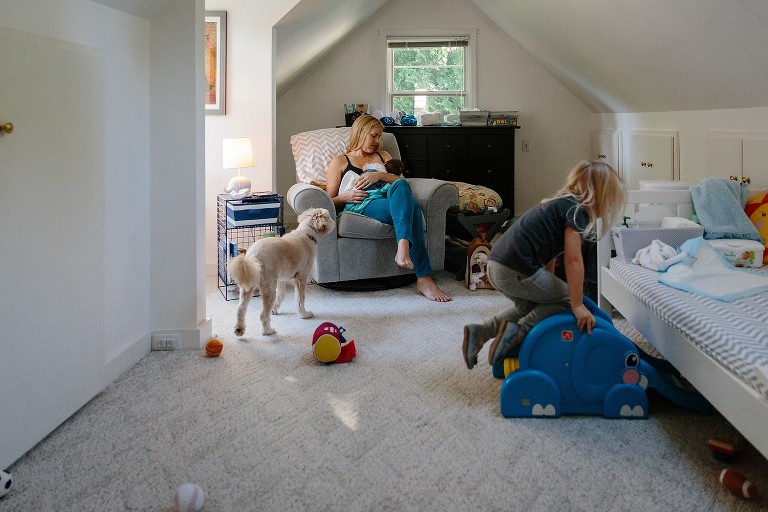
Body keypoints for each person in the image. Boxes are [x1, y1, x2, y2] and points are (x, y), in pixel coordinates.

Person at [461, 160, 626, 369]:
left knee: (533, 306)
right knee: (566, 298)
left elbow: (549, 254)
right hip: (515, 267)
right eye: (610, 199)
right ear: (600, 194)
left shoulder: (561, 204)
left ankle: (481, 332)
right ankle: (515, 335)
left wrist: (550, 283)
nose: (610, 205)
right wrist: (577, 304)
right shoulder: (578, 211)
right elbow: (573, 259)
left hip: (497, 265)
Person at [325, 115, 451, 302]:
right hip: (363, 203)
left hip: (389, 199)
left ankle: (403, 248)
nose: (377, 141)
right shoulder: (340, 161)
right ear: (360, 133)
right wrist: (344, 197)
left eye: (379, 137)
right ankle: (423, 277)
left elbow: (401, 183)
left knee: (402, 190)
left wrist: (379, 177)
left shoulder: (383, 156)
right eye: (373, 136)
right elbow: (327, 201)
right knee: (414, 208)